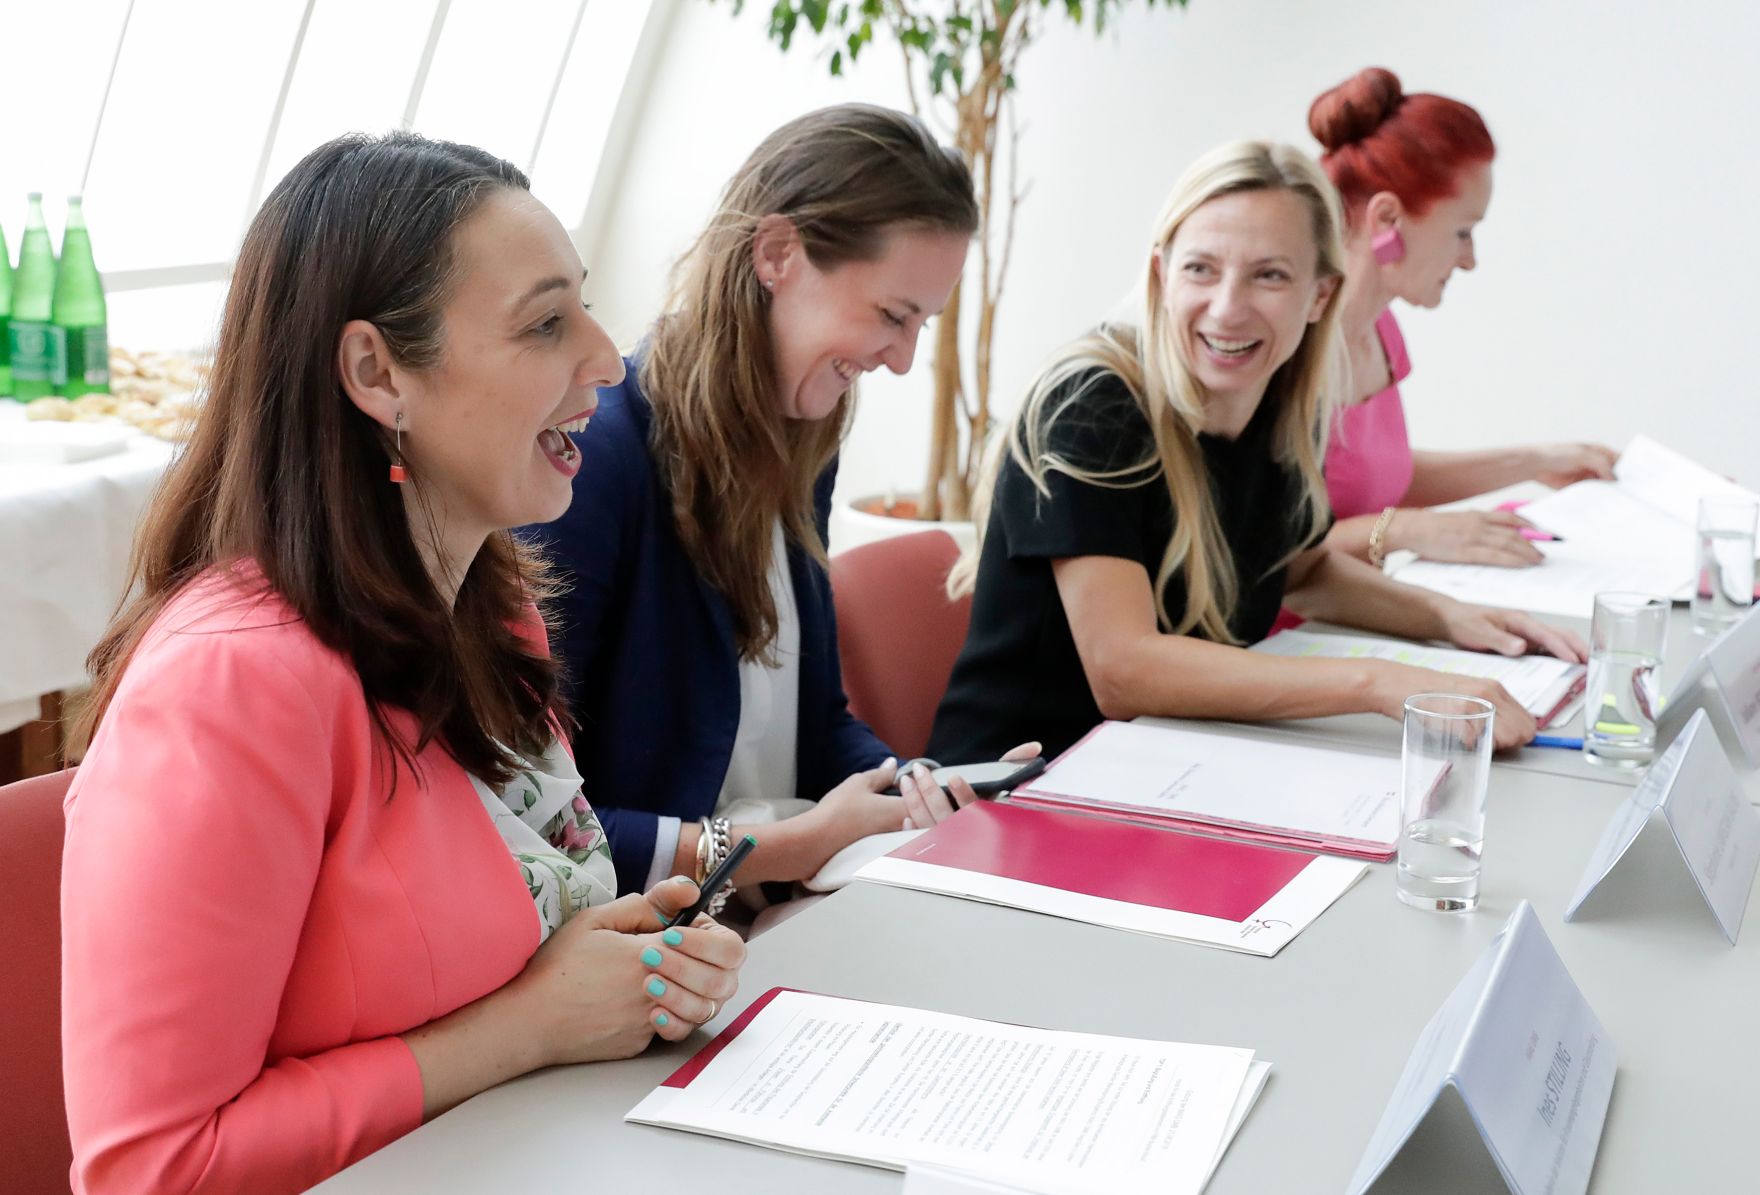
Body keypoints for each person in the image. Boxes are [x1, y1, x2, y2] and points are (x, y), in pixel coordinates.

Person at [60, 133, 745, 1195]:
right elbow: (156, 1167)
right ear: (378, 372)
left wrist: (636, 966)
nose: (609, 361)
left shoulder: (489, 610)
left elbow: (509, 920)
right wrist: (531, 1026)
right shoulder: (230, 687)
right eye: (546, 323)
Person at [526, 104, 1033, 916]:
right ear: (777, 254)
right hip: (657, 937)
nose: (901, 361)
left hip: (775, 909)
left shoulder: (803, 445)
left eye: (922, 325)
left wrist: (914, 784)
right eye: (893, 316)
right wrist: (789, 846)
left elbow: (816, 724)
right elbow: (539, 827)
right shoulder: (599, 461)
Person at [928, 140, 1586, 766]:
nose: (1227, 308)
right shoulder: (1092, 406)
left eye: (1269, 275)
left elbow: (1302, 570)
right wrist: (1379, 683)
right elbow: (1123, 670)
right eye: (1201, 269)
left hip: (1169, 766)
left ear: (1318, 295)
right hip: (1017, 788)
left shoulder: (1272, 400)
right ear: (1161, 276)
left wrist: (1449, 619)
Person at [1310, 66, 1617, 569]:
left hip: (1354, 617)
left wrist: (1535, 463)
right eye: (1462, 232)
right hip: (1278, 639)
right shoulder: (1286, 347)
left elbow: (1378, 477)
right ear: (1387, 220)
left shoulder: (1381, 332)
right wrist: (1405, 529)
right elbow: (1264, 547)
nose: (1470, 259)